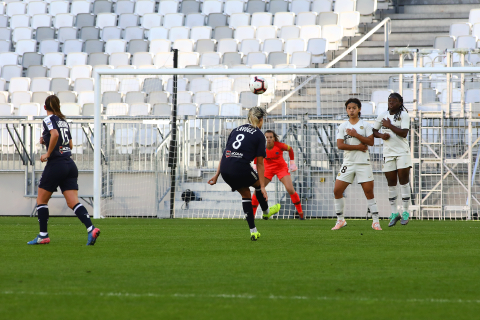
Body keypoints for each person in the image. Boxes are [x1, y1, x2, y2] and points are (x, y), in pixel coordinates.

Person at [28, 95, 100, 246]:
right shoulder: (63, 121)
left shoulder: (48, 119)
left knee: (41, 200)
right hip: (70, 164)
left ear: (45, 107)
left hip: (56, 164)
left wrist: (47, 154)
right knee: (73, 202)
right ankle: (90, 228)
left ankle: (43, 235)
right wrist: (45, 140)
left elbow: (54, 134)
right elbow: (70, 145)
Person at [208, 107, 281, 241]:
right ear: (261, 120)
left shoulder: (236, 130)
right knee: (258, 185)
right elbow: (259, 164)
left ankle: (253, 231)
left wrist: (217, 175)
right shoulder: (259, 135)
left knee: (246, 195)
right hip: (240, 167)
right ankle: (266, 212)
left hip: (225, 169)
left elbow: (225, 154)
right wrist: (263, 187)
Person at [333, 98, 381, 231]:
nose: (351, 110)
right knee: (337, 190)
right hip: (348, 163)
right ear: (346, 110)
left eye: (354, 108)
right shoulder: (343, 126)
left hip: (363, 163)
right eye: (349, 108)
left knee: (368, 192)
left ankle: (376, 222)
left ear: (359, 109)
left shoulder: (365, 125)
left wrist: (356, 135)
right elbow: (340, 145)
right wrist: (358, 147)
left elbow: (370, 142)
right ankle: (340, 220)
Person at [372, 92, 411, 227]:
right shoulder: (382, 115)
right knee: (391, 184)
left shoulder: (403, 115)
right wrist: (382, 135)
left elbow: (404, 133)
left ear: (400, 103)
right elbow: (373, 131)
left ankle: (405, 212)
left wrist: (390, 127)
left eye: (394, 101)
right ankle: (394, 213)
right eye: (389, 101)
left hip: (402, 153)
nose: (391, 104)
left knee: (404, 181)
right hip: (388, 153)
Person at [252, 130, 303, 220]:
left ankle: (301, 214)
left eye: (271, 137)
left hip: (281, 169)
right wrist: (255, 165)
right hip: (267, 170)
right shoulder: (261, 147)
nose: (269, 139)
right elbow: (257, 155)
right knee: (258, 190)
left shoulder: (280, 145)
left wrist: (292, 162)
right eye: (266, 137)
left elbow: (290, 149)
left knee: (290, 189)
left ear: (274, 138)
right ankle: (252, 215)